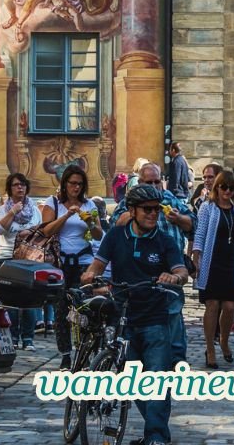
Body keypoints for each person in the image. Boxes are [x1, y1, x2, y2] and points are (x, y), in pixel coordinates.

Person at [82, 185, 187, 445]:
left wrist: (173, 277)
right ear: (132, 210)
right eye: (147, 209)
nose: (153, 214)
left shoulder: (165, 241)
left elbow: (182, 272)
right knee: (133, 381)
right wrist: (90, 274)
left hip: (155, 318)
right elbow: (98, 264)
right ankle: (156, 430)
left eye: (156, 209)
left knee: (157, 380)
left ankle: (156, 437)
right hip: (123, 317)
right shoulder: (116, 236)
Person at [41, 164, 100, 366]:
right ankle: (65, 354)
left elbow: (98, 234)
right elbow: (46, 231)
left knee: (85, 307)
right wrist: (67, 215)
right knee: (61, 310)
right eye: (73, 183)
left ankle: (85, 350)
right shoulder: (53, 203)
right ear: (64, 184)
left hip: (83, 261)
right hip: (60, 262)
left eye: (80, 184)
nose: (76, 187)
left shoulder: (89, 205)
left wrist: (90, 222)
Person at [192, 168, 234, 366]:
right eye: (224, 187)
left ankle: (224, 340)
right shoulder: (208, 207)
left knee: (230, 307)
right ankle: (210, 349)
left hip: (231, 262)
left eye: (231, 188)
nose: (227, 191)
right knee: (213, 305)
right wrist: (196, 257)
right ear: (217, 187)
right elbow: (200, 233)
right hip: (212, 261)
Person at [0, 174, 41, 348]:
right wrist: (13, 212)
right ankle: (13, 337)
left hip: (29, 257)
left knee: (30, 299)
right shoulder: (3, 209)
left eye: (22, 184)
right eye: (16, 185)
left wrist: (29, 232)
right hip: (7, 256)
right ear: (10, 188)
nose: (20, 187)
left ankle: (28, 338)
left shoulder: (35, 210)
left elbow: (42, 231)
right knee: (10, 300)